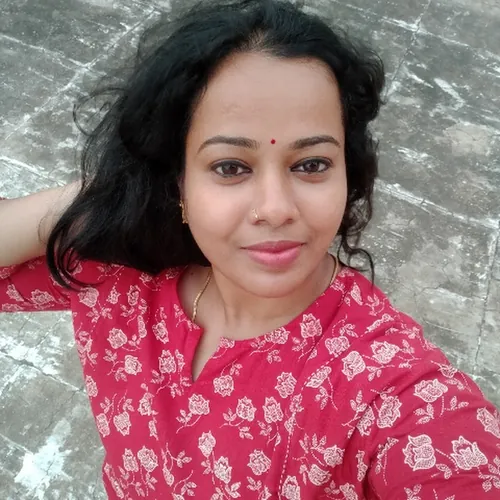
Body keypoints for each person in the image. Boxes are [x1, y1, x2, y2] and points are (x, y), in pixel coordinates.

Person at [1, 0, 499, 498]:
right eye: (230, 167)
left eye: (311, 164)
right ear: (177, 181)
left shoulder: (385, 383)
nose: (276, 209)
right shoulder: (116, 274)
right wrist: (108, 195)